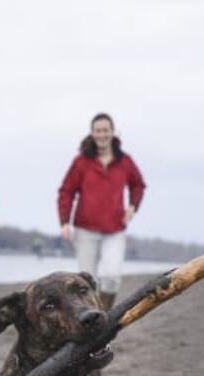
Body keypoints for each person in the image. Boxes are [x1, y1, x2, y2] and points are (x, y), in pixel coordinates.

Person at [57, 113, 146, 309]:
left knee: (112, 277)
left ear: (113, 132)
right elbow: (66, 191)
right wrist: (64, 222)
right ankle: (92, 323)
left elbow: (138, 185)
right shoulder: (81, 162)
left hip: (115, 228)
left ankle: (104, 317)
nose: (102, 135)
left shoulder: (125, 161)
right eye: (98, 131)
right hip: (85, 228)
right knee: (87, 284)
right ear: (92, 133)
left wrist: (132, 207)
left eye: (105, 130)